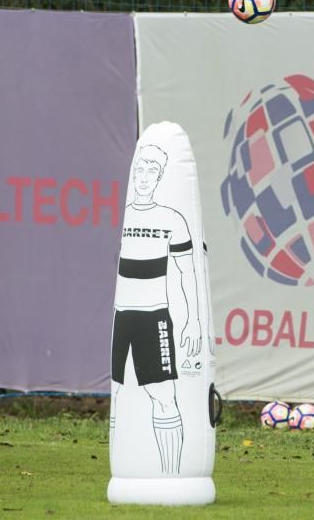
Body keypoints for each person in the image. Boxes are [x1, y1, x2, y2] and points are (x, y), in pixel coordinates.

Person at [110, 143, 202, 474]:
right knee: (118, 395)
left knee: (163, 396)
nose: (144, 177)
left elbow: (187, 271)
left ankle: (172, 475)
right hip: (122, 317)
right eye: (139, 169)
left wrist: (192, 320)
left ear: (161, 176)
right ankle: (124, 468)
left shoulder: (172, 219)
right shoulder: (123, 215)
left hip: (154, 318)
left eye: (152, 170)